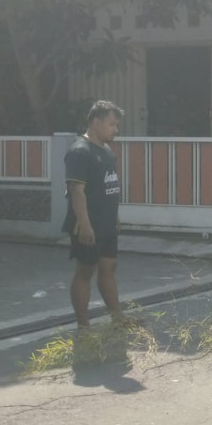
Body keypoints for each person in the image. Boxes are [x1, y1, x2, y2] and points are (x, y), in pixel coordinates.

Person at [63, 100, 125, 329]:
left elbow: (109, 186)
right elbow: (77, 192)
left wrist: (115, 217)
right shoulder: (80, 152)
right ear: (96, 122)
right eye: (111, 124)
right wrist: (85, 224)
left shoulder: (107, 151)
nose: (115, 130)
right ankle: (83, 326)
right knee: (85, 271)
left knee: (109, 268)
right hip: (87, 225)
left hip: (107, 224)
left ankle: (118, 319)